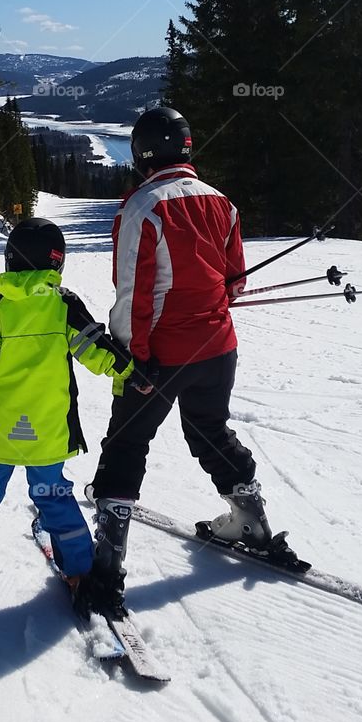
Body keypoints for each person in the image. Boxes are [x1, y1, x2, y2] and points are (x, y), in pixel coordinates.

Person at [81, 106, 283, 619]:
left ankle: (107, 563)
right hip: (217, 347)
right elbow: (235, 283)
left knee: (127, 442)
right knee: (211, 429)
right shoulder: (222, 203)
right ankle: (250, 518)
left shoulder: (141, 208)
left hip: (160, 354)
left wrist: (130, 357)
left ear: (141, 152)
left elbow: (134, 293)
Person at [0, 217, 135, 621]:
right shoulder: (64, 305)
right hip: (48, 434)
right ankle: (79, 572)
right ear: (57, 264)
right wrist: (131, 372)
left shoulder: (0, 310)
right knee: (55, 498)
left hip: (0, 434)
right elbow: (97, 352)